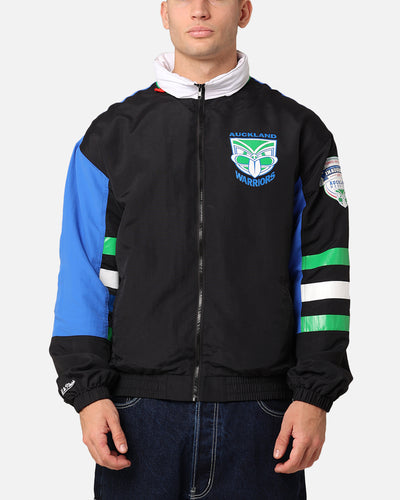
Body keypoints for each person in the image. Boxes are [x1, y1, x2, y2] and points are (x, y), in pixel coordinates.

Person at [49, 0, 353, 498]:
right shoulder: (110, 137)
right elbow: (83, 272)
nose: (201, 9)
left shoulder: (300, 132)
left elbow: (324, 272)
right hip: (136, 416)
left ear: (244, 11)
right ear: (164, 12)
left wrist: (315, 394)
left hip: (264, 416)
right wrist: (86, 392)